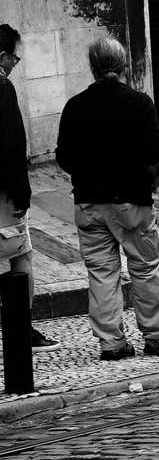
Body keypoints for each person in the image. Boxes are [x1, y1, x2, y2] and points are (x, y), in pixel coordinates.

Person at [54, 37, 159, 361]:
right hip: (132, 202)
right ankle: (157, 336)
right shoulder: (140, 104)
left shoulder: (75, 106)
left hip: (90, 204)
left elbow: (65, 158)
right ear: (123, 66)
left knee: (101, 272)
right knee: (145, 267)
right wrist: (148, 181)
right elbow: (155, 154)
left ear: (93, 67)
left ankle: (111, 343)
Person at [0, 26, 54, 349]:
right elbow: (10, 145)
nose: (15, 66)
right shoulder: (3, 88)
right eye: (14, 59)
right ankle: (23, 329)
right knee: (22, 257)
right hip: (3, 195)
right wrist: (21, 194)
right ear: (2, 56)